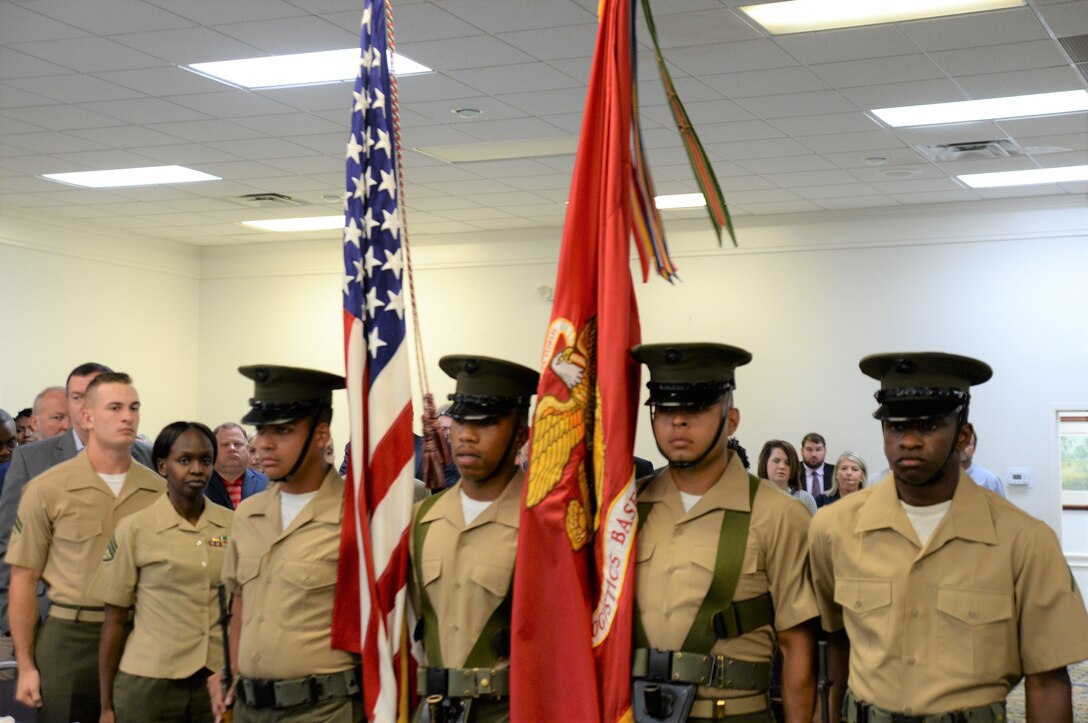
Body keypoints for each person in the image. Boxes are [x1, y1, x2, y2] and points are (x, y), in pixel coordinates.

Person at [809, 352, 1088, 722]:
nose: (908, 441)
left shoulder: (1025, 541)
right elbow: (834, 646)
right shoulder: (834, 528)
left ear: (963, 435)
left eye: (928, 425)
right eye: (895, 427)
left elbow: (1047, 682)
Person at [630, 343, 818, 722]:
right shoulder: (629, 508)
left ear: (731, 420)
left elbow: (797, 647)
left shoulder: (779, 514)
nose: (677, 422)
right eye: (665, 409)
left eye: (696, 408)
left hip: (733, 713)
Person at [5, 372, 165, 722]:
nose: (128, 416)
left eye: (134, 407)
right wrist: (27, 663)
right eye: (115, 407)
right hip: (69, 638)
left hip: (140, 636)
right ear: (87, 416)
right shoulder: (48, 488)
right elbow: (23, 579)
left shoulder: (158, 491)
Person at [215, 365, 362, 723]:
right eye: (261, 430)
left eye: (282, 431)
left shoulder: (357, 518)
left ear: (321, 434)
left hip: (320, 709)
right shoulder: (249, 513)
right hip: (250, 705)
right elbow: (239, 602)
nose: (264, 443)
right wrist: (231, 674)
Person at [410, 355, 538, 722]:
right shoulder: (424, 518)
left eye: (486, 423)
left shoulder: (544, 524)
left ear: (520, 435)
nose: (466, 434)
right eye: (462, 420)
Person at [95, 421, 232, 723]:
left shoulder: (234, 525)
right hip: (150, 680)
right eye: (185, 460)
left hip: (216, 677)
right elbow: (114, 620)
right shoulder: (135, 528)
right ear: (162, 466)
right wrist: (106, 704)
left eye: (205, 460)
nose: (197, 469)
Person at [0, 365, 153, 634]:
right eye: (76, 397)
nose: (84, 406)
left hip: (136, 618)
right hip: (54, 618)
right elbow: (9, 545)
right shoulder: (32, 459)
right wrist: (11, 622)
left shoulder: (146, 457)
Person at [203, 423, 268, 510]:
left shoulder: (267, 484)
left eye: (238, 444)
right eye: (225, 444)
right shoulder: (198, 485)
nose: (232, 448)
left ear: (247, 449)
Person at [757, 440, 817, 515]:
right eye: (776, 461)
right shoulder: (754, 497)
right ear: (765, 463)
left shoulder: (806, 499)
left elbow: (815, 526)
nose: (782, 466)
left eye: (787, 463)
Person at [960, 427, 1006, 498]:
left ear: (974, 449)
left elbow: (1001, 508)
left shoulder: (990, 480)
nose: (963, 448)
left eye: (968, 443)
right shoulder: (941, 479)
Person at [800, 433, 835, 497]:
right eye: (809, 449)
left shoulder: (835, 472)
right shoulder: (792, 472)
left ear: (825, 451)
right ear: (802, 451)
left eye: (818, 449)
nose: (814, 454)